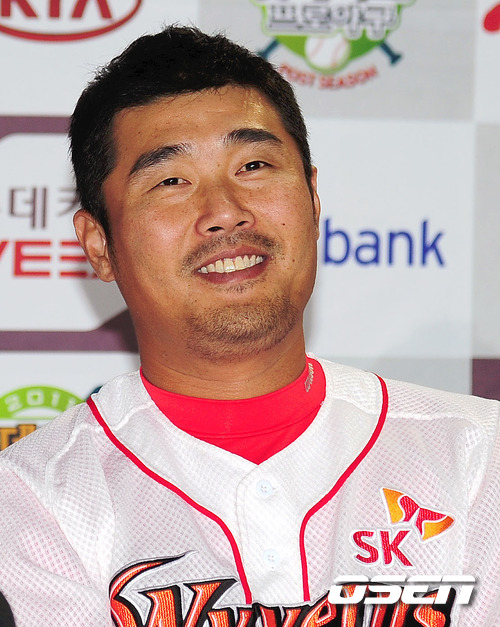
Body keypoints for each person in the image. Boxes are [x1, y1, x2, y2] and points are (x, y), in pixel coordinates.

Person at [0, 26, 498, 627]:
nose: (225, 212)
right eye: (171, 181)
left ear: (313, 199)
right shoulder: (31, 500)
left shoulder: (479, 457)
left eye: (254, 165)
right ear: (99, 244)